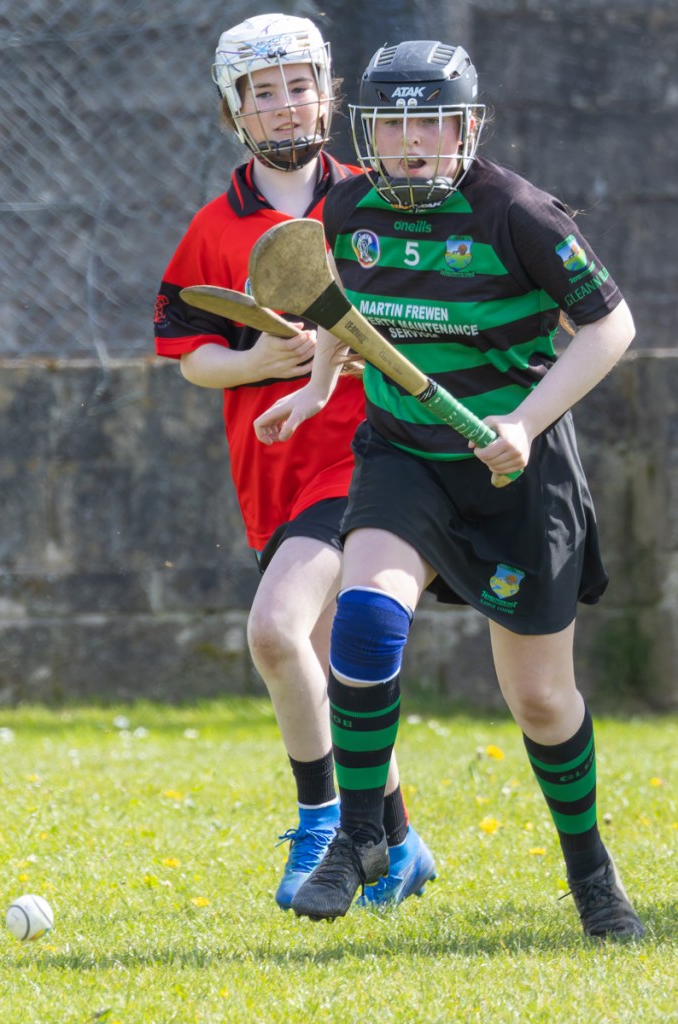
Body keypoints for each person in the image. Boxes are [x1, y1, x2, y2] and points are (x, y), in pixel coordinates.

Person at [254, 39, 645, 939]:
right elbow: (338, 304)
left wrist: (525, 423)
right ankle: (361, 840)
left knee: (541, 699)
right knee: (364, 614)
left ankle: (591, 873)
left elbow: (610, 326)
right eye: (393, 126)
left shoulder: (518, 213)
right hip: (405, 454)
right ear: (368, 133)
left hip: (517, 469)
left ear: (468, 127)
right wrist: (317, 387)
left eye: (431, 123)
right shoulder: (349, 206)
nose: (412, 143)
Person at [153, 16, 435, 911]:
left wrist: (346, 353)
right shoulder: (213, 228)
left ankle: (323, 825)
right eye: (263, 92)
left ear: (328, 94)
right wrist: (259, 362)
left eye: (300, 85)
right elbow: (191, 355)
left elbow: (425, 319)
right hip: (272, 471)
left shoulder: (375, 203)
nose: (284, 106)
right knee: (327, 664)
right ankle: (400, 844)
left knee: (276, 630)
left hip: (368, 459)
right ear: (235, 109)